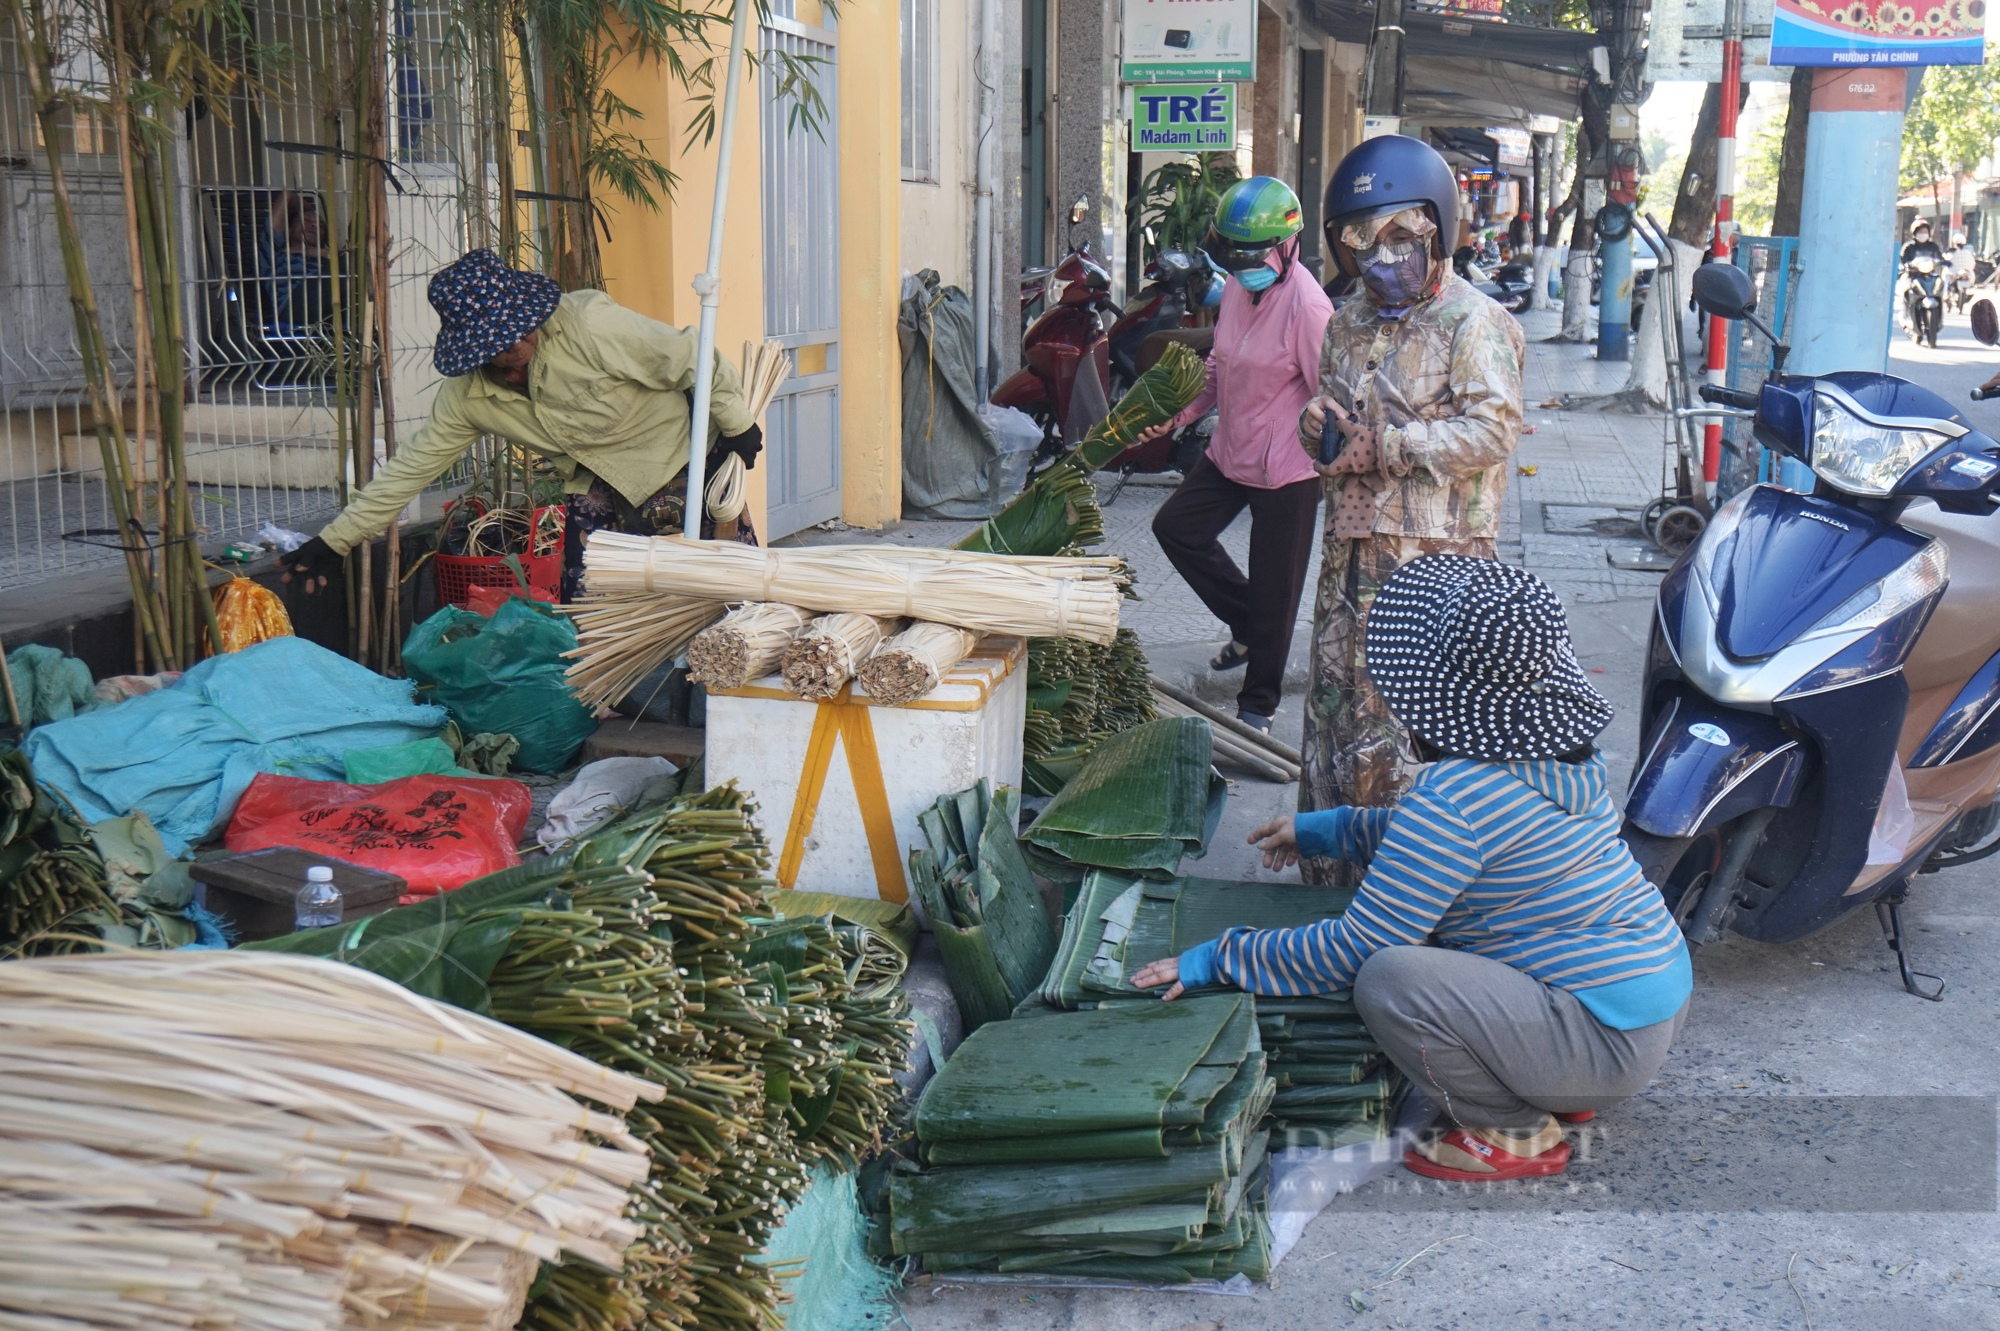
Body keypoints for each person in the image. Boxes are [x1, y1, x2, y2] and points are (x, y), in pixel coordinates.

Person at [1134, 556, 1692, 1182]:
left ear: (1434, 697)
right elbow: (1431, 846)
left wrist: (1221, 957)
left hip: (1600, 1039)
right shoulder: (1560, 764)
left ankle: (1515, 1128)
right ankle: (1555, 1078)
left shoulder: (1456, 799)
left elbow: (1355, 949)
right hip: (1649, 1005)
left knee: (1390, 978)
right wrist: (1325, 832)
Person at [1293, 134, 1526, 884]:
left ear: (1438, 228)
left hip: (1435, 568)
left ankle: (1411, 894)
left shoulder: (1472, 322)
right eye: (1365, 244)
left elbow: (1494, 429)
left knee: (1413, 736)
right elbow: (1331, 420)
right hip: (1348, 557)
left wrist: (1391, 445)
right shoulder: (1345, 321)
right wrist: (1315, 429)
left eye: (1402, 241)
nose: (1383, 261)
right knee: (1338, 714)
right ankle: (1329, 887)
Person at [281, 249, 762, 601]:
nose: (509, 364)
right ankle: (616, 714)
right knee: (593, 611)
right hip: (596, 487)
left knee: (726, 593)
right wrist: (335, 540)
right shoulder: (467, 395)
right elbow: (409, 470)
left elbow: (695, 358)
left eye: (514, 345)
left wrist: (736, 426)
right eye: (491, 356)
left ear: (530, 319)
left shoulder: (589, 325)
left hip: (682, 461)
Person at [1143, 177, 1333, 733]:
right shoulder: (1236, 291)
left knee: (1277, 586)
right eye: (1233, 255)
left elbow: (1333, 395)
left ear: (1288, 245)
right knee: (1176, 527)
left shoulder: (1308, 306)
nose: (1242, 266)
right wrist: (1177, 415)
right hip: (1230, 450)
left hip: (1287, 470)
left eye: (1252, 255)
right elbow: (1218, 369)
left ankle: (1257, 710)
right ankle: (1252, 625)